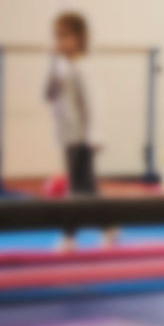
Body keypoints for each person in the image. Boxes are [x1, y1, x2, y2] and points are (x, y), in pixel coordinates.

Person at [44, 11, 97, 196]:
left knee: (84, 186)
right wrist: (52, 63)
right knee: (78, 185)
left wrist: (95, 135)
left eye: (64, 36)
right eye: (57, 36)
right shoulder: (62, 68)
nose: (60, 41)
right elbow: (49, 94)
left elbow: (94, 104)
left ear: (80, 38)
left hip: (83, 137)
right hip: (67, 134)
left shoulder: (84, 67)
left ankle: (107, 225)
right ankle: (72, 224)